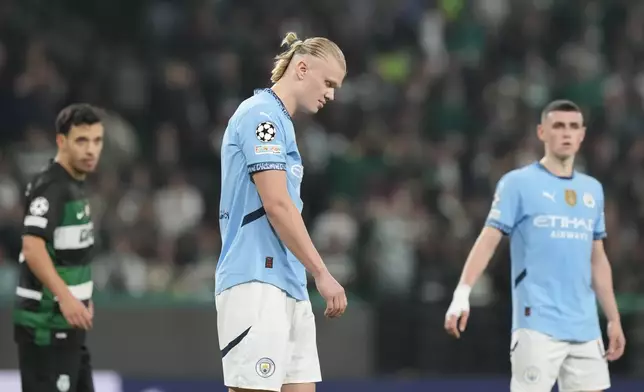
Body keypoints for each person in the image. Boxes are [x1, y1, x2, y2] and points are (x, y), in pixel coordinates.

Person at [444, 100, 626, 392]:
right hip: (537, 323)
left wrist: (613, 318)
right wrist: (462, 293)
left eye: (573, 126)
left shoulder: (592, 190)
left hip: (585, 325)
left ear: (582, 135)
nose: (566, 133)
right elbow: (489, 239)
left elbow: (597, 258)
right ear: (542, 132)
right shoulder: (518, 183)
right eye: (558, 126)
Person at [215, 31, 348, 392]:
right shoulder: (261, 116)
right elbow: (276, 205)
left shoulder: (283, 125)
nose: (332, 94)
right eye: (328, 82)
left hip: (289, 285)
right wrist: (321, 271)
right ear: (302, 68)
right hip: (255, 281)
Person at [14, 103, 104, 392]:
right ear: (61, 141)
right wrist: (65, 297)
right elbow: (32, 247)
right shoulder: (52, 186)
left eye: (97, 141)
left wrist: (79, 297)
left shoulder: (75, 185)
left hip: (68, 328)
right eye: (81, 141)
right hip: (45, 328)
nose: (91, 150)